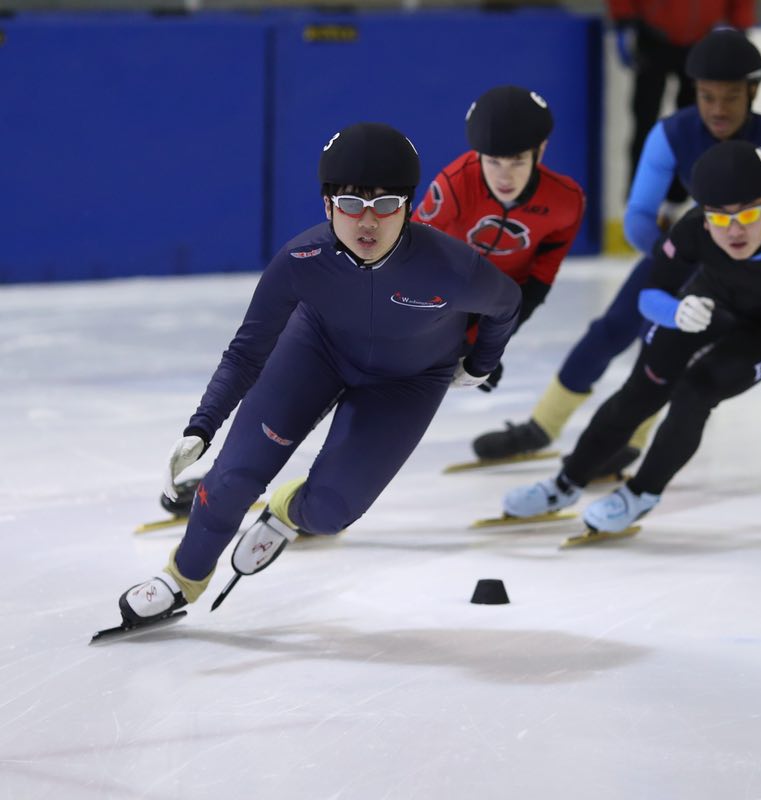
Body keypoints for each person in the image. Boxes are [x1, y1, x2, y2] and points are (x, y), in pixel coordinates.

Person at [113, 122, 521, 631]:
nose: (367, 221)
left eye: (385, 204)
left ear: (409, 207)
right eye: (350, 204)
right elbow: (247, 352)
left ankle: (287, 511)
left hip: (408, 381)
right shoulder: (301, 260)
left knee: (329, 513)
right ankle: (183, 579)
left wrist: (479, 363)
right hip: (317, 351)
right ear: (327, 206)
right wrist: (203, 425)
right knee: (232, 479)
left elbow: (507, 306)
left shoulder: (452, 269)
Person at [472, 28, 761, 469]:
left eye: (730, 97)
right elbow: (639, 215)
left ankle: (630, 443)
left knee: (662, 350)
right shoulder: (674, 134)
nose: (717, 109)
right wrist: (671, 256)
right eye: (707, 96)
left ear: (752, 92)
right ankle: (541, 426)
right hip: (690, 255)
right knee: (611, 329)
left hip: (756, 280)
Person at [499, 140, 761, 533]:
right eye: (719, 217)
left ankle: (641, 494)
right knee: (642, 388)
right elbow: (649, 295)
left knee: (696, 392)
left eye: (746, 214)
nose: (733, 231)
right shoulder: (694, 229)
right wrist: (675, 311)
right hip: (711, 303)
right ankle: (564, 485)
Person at [414, 85, 586, 395]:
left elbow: (538, 283)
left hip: (503, 298)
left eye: (517, 161)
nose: (504, 178)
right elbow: (410, 255)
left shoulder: (566, 202)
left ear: (541, 150)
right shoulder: (455, 183)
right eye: (492, 161)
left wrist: (487, 345)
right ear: (478, 154)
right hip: (446, 289)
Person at [607, 0, 756, 204]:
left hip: (704, 39)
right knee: (644, 119)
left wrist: (739, 25)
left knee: (695, 125)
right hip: (652, 35)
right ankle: (639, 196)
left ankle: (681, 195)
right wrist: (624, 20)